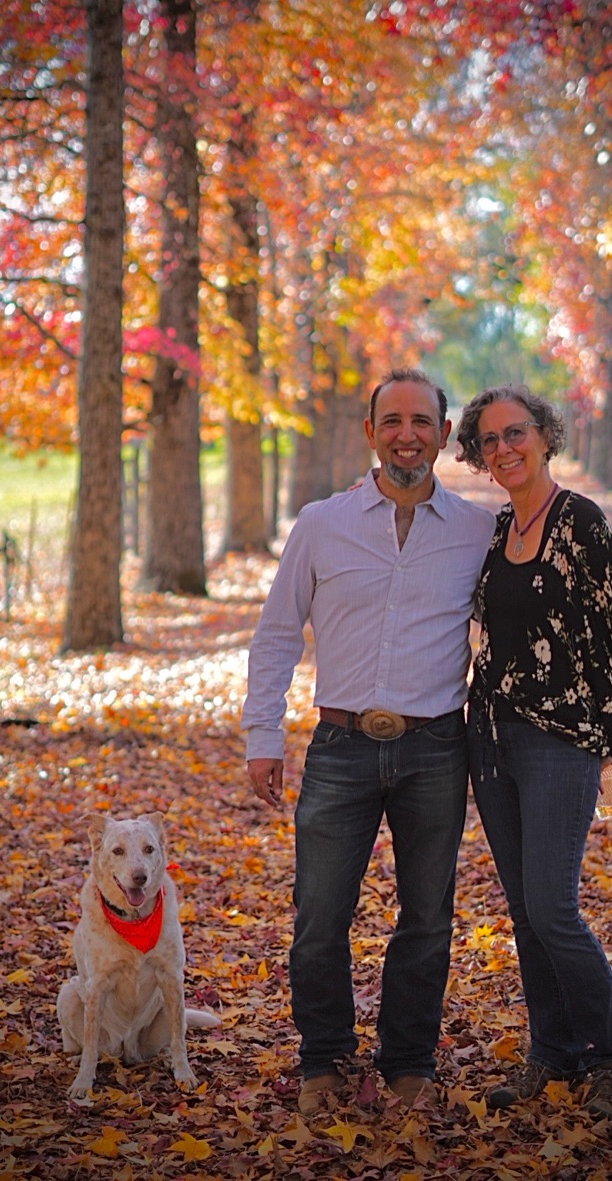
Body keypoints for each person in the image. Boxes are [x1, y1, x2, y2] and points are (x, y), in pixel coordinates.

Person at [242, 368, 496, 1115]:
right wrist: (264, 736)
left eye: (422, 421)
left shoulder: (480, 531)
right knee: (319, 914)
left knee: (426, 915)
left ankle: (409, 1060)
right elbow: (276, 633)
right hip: (340, 745)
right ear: (370, 431)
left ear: (445, 435)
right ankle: (322, 1058)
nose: (407, 434)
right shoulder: (321, 523)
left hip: (435, 750)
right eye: (393, 420)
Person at [455, 384, 612, 1121]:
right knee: (526, 912)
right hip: (491, 738)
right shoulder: (502, 526)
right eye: (489, 440)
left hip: (559, 743)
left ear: (544, 435)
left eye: (516, 433)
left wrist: (608, 730)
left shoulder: (581, 523)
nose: (504, 448)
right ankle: (554, 1050)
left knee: (553, 906)